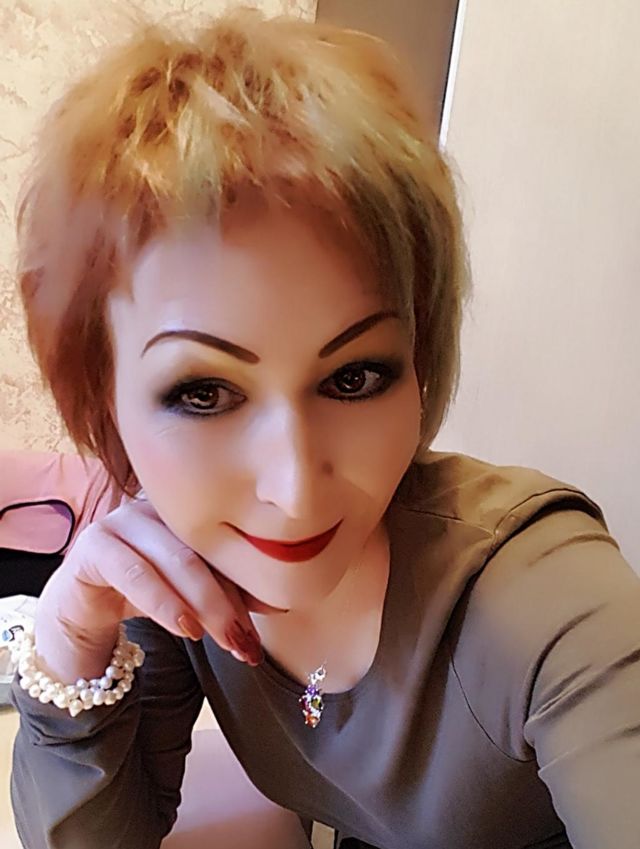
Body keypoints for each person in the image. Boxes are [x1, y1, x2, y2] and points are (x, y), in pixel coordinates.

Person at [8, 8, 640, 849]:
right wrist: (70, 632)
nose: (295, 487)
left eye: (353, 377)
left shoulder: (541, 597)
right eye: (205, 392)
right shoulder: (177, 585)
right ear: (105, 396)